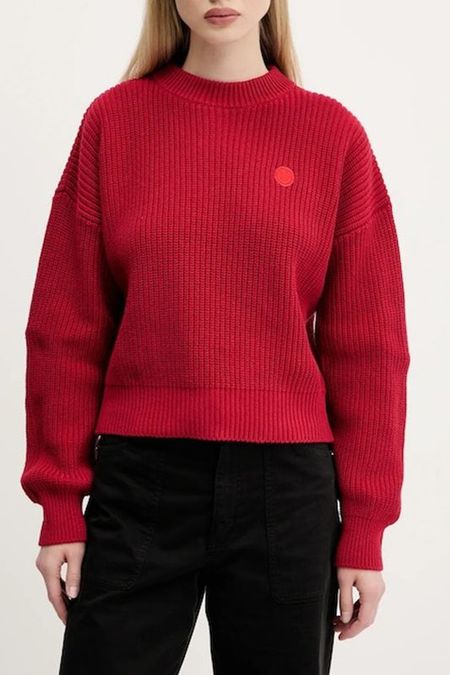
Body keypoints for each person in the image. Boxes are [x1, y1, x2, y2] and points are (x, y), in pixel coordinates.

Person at [20, 1, 411, 673]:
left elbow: (369, 349)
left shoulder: (332, 135)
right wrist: (59, 505)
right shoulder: (115, 123)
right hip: (140, 480)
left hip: (286, 490)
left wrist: (366, 530)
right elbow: (66, 327)